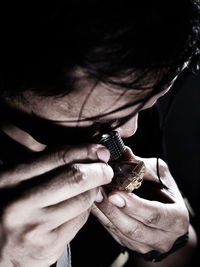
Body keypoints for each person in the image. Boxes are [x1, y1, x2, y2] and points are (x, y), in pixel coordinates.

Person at [0, 1, 199, 266]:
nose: (130, 131)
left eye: (149, 103)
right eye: (103, 120)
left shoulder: (122, 97)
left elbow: (179, 258)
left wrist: (167, 244)